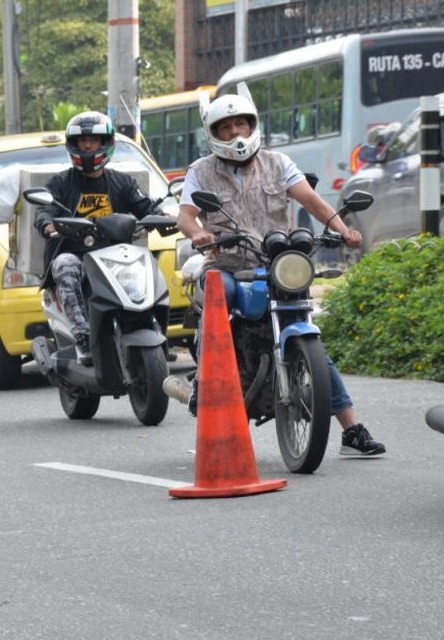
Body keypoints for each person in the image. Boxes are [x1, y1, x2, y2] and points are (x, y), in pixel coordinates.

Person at [174, 85, 386, 457]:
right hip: (226, 263)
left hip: (276, 263)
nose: (236, 133)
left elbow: (312, 200)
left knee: (306, 332)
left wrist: (343, 229)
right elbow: (186, 216)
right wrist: (200, 234)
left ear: (253, 125)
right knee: (216, 300)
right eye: (226, 128)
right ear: (213, 133)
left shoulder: (278, 162)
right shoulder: (200, 172)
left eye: (242, 124)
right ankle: (203, 386)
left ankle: (351, 428)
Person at [34, 111, 161, 364]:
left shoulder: (123, 182)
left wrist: (162, 216)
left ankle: (152, 329)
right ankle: (82, 336)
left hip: (116, 257)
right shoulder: (61, 183)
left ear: (106, 144)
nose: (88, 145)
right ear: (74, 145)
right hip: (77, 255)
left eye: (94, 140)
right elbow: (44, 209)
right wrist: (48, 224)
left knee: (149, 266)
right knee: (64, 264)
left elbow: (145, 206)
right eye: (83, 141)